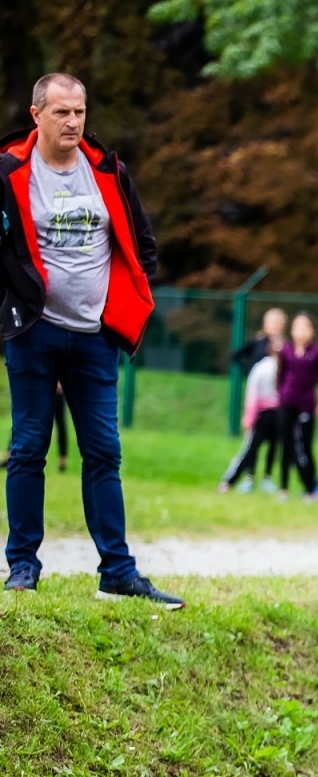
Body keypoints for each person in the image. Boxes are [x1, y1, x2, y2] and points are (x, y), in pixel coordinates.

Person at [0, 73, 183, 606]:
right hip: (35, 333)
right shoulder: (10, 171)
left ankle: (118, 573)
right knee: (28, 449)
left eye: (80, 112)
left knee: (104, 451)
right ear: (37, 115)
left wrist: (124, 305)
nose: (74, 122)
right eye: (62, 112)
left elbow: (141, 242)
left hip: (95, 337)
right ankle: (23, 568)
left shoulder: (108, 170)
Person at [275, 311, 318, 501]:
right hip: (286, 404)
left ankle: (310, 489)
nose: (300, 331)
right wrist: (281, 396)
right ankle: (283, 488)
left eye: (305, 327)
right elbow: (280, 376)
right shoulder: (285, 350)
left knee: (305, 447)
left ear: (312, 331)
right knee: (285, 445)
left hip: (306, 405)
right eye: (297, 327)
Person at [218, 343, 280, 493]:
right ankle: (231, 481)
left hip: (280, 413)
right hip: (264, 414)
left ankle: (269, 480)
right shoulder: (262, 368)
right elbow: (253, 394)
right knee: (251, 449)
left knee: (275, 448)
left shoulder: (288, 367)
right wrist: (249, 418)